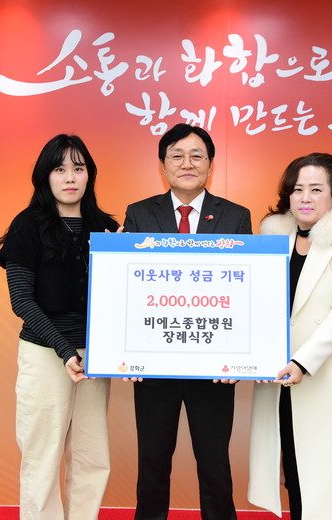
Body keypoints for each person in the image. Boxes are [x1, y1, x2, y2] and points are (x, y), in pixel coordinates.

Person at [123, 123, 252, 520]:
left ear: (211, 163)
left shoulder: (235, 216)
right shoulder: (139, 213)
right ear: (162, 164)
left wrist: (239, 358)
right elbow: (127, 287)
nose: (187, 163)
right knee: (152, 461)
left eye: (197, 155)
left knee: (214, 464)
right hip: (154, 364)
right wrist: (125, 353)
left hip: (214, 368)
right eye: (176, 156)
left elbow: (246, 292)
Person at [247, 153, 332, 520]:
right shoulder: (274, 239)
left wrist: (303, 362)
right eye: (297, 189)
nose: (305, 198)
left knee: (327, 471)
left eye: (316, 189)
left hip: (325, 371)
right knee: (292, 462)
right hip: (279, 373)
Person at [0, 134, 119, 520]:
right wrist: (65, 350)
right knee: (42, 455)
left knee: (91, 455)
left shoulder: (106, 228)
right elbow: (22, 302)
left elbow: (121, 299)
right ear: (45, 176)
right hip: (46, 354)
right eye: (60, 169)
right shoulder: (28, 226)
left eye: (78, 169)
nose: (69, 178)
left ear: (89, 175)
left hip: (96, 358)